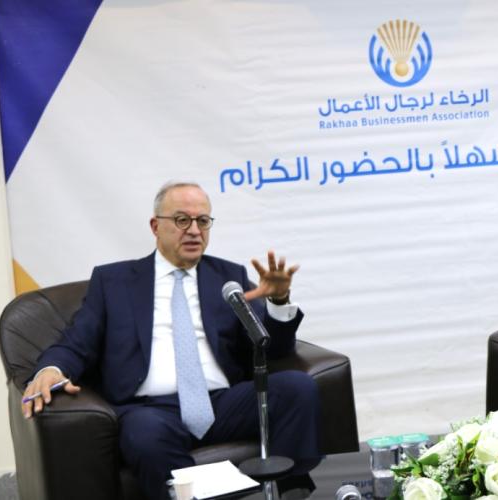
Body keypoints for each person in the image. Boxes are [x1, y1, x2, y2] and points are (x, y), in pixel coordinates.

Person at [21, 181, 321, 499]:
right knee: (145, 435)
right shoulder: (114, 282)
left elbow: (269, 348)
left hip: (222, 403)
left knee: (297, 388)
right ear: (155, 226)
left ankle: (293, 493)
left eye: (202, 221)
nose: (194, 230)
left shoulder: (227, 277)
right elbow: (77, 341)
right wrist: (51, 369)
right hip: (150, 410)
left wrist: (278, 302)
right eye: (182, 220)